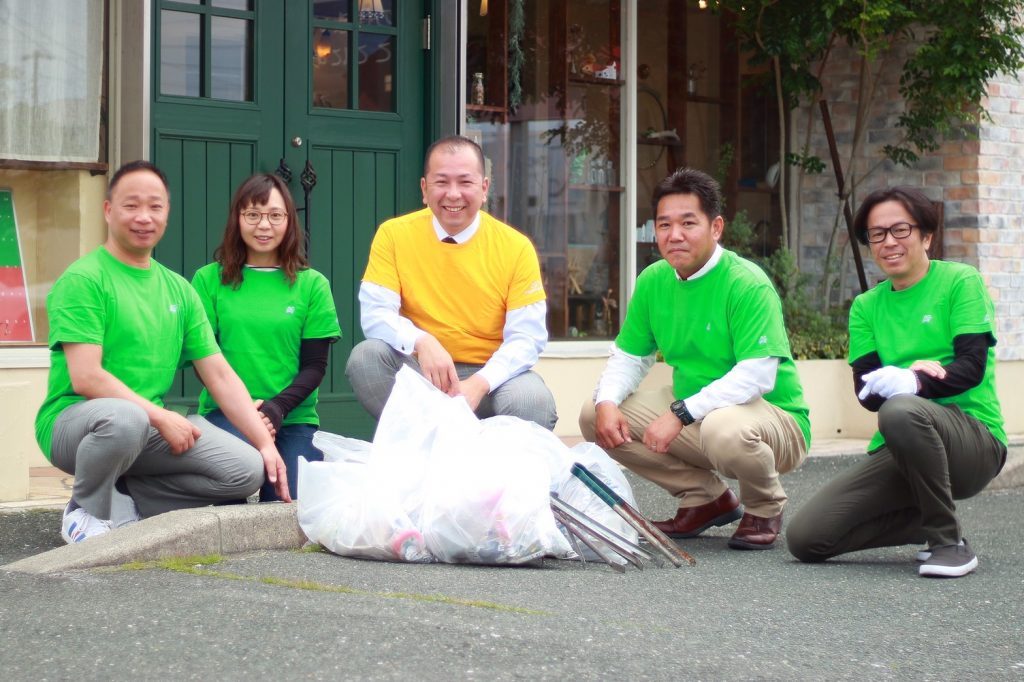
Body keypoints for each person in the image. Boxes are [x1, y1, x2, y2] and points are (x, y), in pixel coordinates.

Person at [35, 160, 290, 545]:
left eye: (155, 206)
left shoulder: (178, 290)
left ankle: (123, 503)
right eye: (131, 205)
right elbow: (86, 377)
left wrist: (266, 444)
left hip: (143, 426)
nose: (144, 217)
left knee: (245, 470)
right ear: (108, 211)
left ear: (167, 214)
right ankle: (84, 509)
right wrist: (160, 417)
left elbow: (219, 374)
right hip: (74, 423)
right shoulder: (84, 279)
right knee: (126, 419)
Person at [579, 168, 810, 550]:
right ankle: (706, 499)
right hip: (697, 411)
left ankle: (765, 505)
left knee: (724, 427)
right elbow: (630, 356)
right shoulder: (654, 280)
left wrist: (681, 413)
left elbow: (757, 375)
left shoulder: (745, 283)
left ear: (716, 227)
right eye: (664, 224)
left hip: (774, 418)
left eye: (689, 223)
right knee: (595, 416)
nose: (675, 235)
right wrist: (606, 402)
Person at [787, 187, 1006, 578]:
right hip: (901, 443)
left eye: (900, 230)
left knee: (902, 408)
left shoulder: (960, 282)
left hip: (974, 441)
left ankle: (947, 543)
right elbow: (867, 393)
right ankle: (932, 518)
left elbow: (971, 367)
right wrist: (908, 382)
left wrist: (915, 381)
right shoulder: (866, 307)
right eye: (877, 234)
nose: (888, 242)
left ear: (926, 236)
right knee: (807, 538)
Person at [346, 135, 557, 429]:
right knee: (366, 359)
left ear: (484, 189)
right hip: (423, 369)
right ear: (424, 188)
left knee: (532, 401)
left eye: (465, 182)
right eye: (442, 182)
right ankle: (427, 447)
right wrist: (422, 341)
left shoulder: (515, 247)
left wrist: (480, 383)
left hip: (491, 375)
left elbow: (527, 337)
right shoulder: (394, 235)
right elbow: (375, 314)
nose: (453, 194)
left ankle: (488, 470)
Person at [192, 174, 341, 501]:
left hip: (292, 417)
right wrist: (248, 411)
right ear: (237, 219)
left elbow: (314, 367)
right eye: (253, 215)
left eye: (275, 215)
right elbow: (203, 360)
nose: (264, 225)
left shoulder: (312, 284)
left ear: (289, 222)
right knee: (230, 492)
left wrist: (276, 408)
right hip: (226, 414)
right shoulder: (208, 280)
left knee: (289, 504)